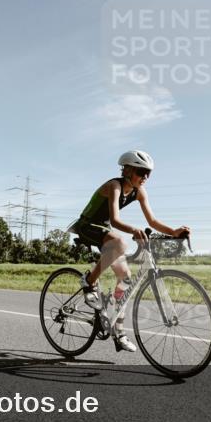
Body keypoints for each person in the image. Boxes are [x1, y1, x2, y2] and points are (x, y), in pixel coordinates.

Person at [71, 150, 189, 353]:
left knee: (125, 278)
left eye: (148, 174)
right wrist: (134, 230)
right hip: (87, 225)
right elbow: (115, 220)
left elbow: (152, 221)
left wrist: (174, 231)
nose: (145, 178)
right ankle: (88, 281)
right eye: (141, 172)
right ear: (127, 170)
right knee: (120, 242)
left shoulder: (139, 191)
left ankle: (119, 332)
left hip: (104, 231)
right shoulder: (114, 186)